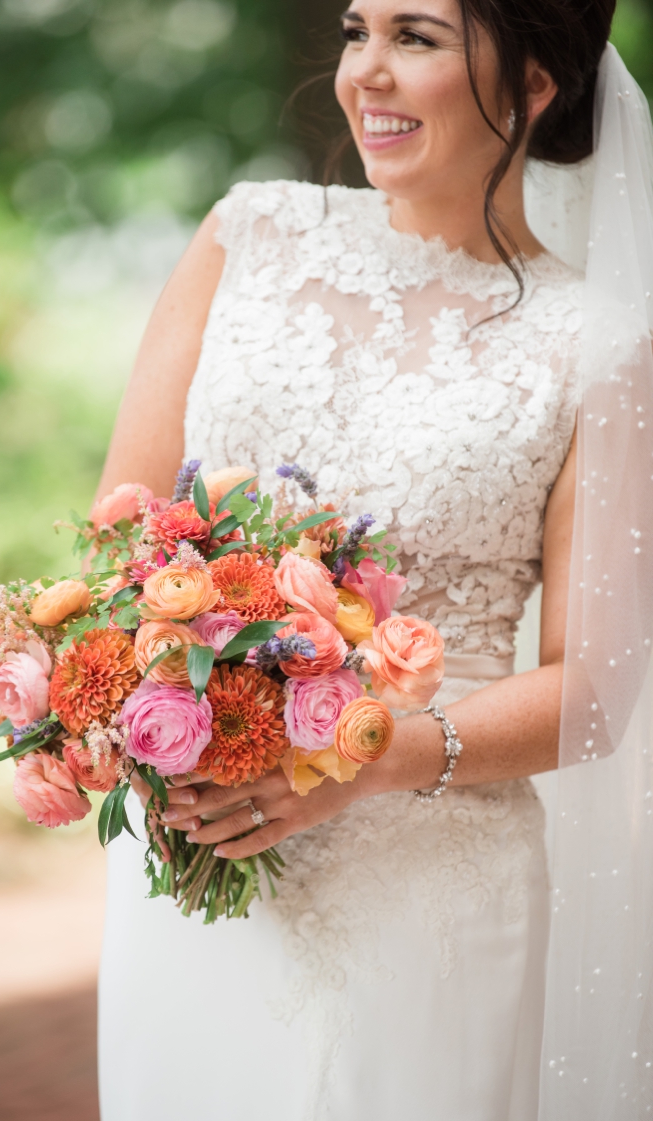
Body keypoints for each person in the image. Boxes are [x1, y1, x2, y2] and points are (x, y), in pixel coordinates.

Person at [92, 1, 653, 1116]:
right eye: (358, 32)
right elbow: (123, 530)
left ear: (535, 85)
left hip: (432, 889)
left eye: (420, 38)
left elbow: (594, 695)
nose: (367, 75)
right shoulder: (245, 235)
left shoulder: (600, 343)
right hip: (207, 865)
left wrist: (358, 756)